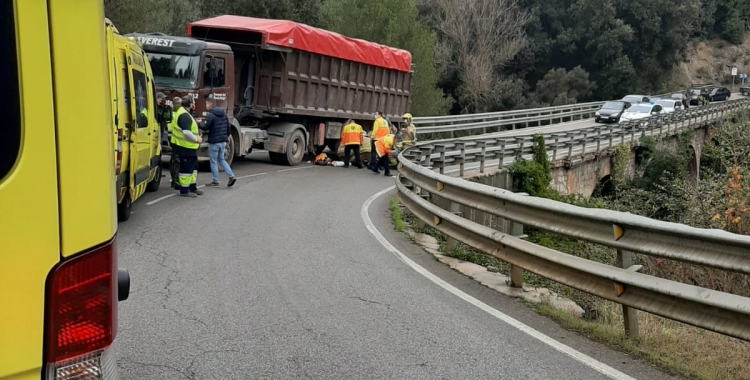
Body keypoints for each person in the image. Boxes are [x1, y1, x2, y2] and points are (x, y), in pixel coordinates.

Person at [201, 98, 236, 187]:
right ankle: (231, 176)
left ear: (210, 104)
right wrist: (227, 137)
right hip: (222, 141)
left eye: (206, 104)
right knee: (221, 160)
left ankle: (215, 180)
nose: (206, 105)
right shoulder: (223, 114)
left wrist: (199, 123)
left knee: (213, 161)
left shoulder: (211, 115)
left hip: (214, 142)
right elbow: (228, 126)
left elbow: (206, 127)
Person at [172, 98, 203, 197]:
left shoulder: (185, 113)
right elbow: (186, 132)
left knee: (193, 168)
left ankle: (192, 187)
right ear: (190, 104)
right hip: (185, 147)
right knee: (186, 169)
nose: (194, 105)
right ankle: (184, 190)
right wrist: (196, 139)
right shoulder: (184, 115)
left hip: (190, 147)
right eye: (193, 103)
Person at [166, 96, 182, 189]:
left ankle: (173, 179)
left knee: (173, 160)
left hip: (171, 138)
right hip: (176, 140)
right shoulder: (177, 115)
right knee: (176, 161)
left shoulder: (170, 113)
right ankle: (175, 180)